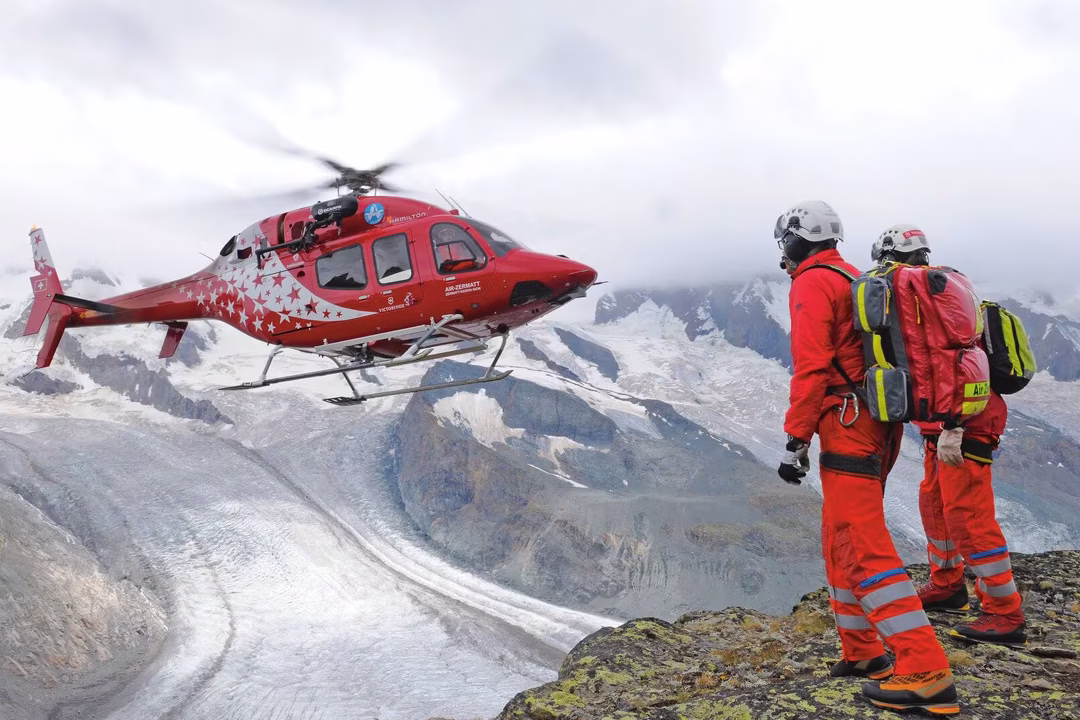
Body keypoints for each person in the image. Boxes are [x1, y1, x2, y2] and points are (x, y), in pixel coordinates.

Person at [775, 202, 958, 715]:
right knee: (840, 539)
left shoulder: (813, 282)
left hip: (847, 422)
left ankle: (925, 669)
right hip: (879, 420)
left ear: (794, 239)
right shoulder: (855, 275)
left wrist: (796, 439)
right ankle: (863, 651)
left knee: (863, 543)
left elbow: (811, 368)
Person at [873, 224, 1026, 645]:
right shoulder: (933, 293)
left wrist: (955, 425)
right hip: (942, 424)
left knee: (968, 516)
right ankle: (948, 584)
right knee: (935, 504)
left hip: (965, 422)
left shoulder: (930, 294)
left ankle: (1005, 613)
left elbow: (953, 365)